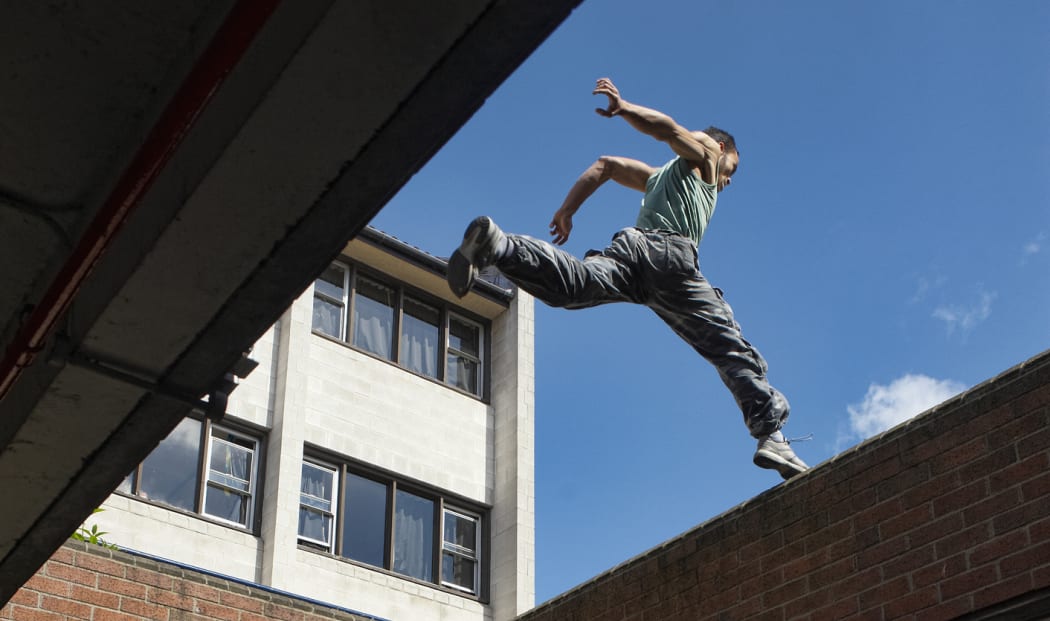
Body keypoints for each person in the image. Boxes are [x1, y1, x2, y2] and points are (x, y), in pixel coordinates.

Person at [447, 78, 808, 479]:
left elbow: (606, 166)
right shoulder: (707, 156)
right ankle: (772, 435)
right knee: (727, 344)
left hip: (632, 255)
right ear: (721, 150)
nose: (727, 182)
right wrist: (625, 109)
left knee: (576, 286)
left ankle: (501, 248)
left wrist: (568, 209)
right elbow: (669, 129)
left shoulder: (658, 178)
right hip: (670, 257)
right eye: (732, 171)